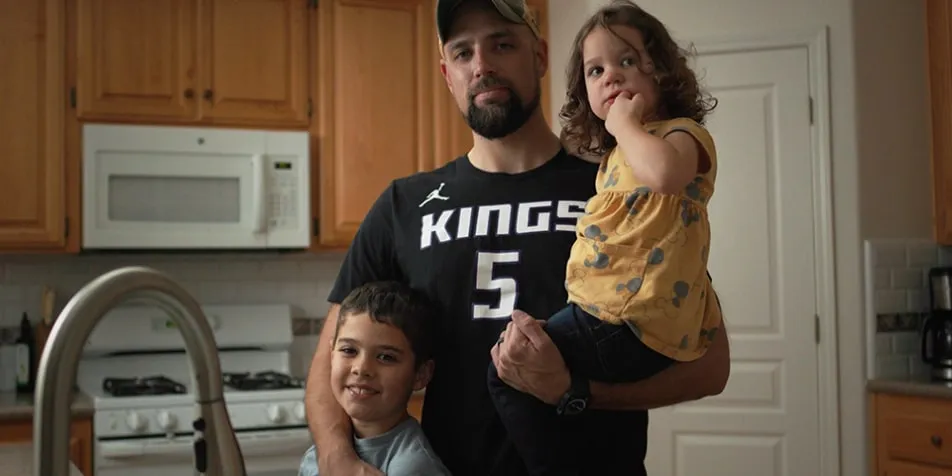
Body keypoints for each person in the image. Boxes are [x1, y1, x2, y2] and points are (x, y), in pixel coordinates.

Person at [303, 1, 732, 476]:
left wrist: (574, 393)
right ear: (448, 75)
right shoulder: (404, 206)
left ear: (540, 57)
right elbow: (329, 358)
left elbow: (710, 368)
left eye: (502, 44)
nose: (482, 66)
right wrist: (336, 458)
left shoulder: (621, 186)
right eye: (463, 53)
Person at [485, 1, 724, 474]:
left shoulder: (683, 135)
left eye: (628, 61)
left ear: (664, 74)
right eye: (596, 70)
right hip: (616, 315)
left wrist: (622, 124)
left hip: (623, 318)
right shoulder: (615, 160)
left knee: (505, 375)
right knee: (533, 374)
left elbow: (662, 174)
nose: (611, 77)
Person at [298, 281, 451, 476]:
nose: (361, 369)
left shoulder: (412, 467)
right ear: (331, 354)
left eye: (386, 357)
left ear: (421, 374)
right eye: (349, 350)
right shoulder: (315, 459)